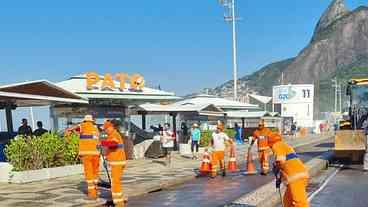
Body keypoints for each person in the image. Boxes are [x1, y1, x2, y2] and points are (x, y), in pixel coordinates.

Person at [268, 132, 309, 207]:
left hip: (296, 177)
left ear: (270, 142)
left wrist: (276, 168)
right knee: (287, 200)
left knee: (299, 202)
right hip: (296, 176)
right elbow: (285, 164)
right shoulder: (285, 146)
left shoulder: (277, 145)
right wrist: (279, 178)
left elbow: (281, 160)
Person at [101, 120, 127, 207]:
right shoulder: (113, 135)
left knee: (115, 182)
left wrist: (102, 143)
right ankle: (118, 199)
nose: (105, 131)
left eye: (106, 129)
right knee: (116, 182)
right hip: (117, 162)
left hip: (117, 162)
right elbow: (111, 150)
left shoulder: (114, 135)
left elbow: (113, 144)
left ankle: (118, 203)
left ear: (110, 127)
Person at [78, 115, 100, 199]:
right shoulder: (95, 128)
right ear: (92, 121)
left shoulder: (83, 126)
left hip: (86, 154)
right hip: (96, 154)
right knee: (95, 173)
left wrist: (68, 130)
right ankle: (96, 190)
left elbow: (75, 127)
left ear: (85, 121)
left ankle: (92, 194)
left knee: (89, 174)